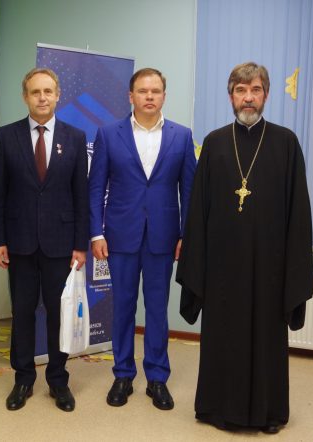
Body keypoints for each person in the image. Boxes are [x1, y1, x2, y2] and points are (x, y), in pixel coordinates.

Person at [176, 62, 313, 434]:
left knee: (266, 339)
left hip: (270, 267)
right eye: (240, 90)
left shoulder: (286, 143)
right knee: (223, 337)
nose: (248, 97)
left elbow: (298, 212)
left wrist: (294, 269)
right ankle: (216, 408)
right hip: (223, 268)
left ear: (266, 94)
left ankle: (268, 413)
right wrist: (197, 263)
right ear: (231, 96)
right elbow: (199, 210)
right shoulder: (215, 143)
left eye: (255, 89)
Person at [89, 68, 196, 411]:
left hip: (163, 238)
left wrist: (186, 235)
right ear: (131, 96)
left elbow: (190, 192)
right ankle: (122, 375)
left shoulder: (182, 136)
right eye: (142, 91)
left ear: (164, 95)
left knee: (157, 310)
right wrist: (96, 232)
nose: (149, 96)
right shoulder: (108, 134)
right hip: (120, 236)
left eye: (156, 91)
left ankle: (157, 378)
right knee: (122, 307)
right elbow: (95, 187)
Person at [0, 68, 89, 412]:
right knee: (22, 313)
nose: (42, 97)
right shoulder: (7, 136)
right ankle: (23, 379)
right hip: (19, 243)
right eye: (35, 92)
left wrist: (80, 244)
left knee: (59, 314)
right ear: (25, 97)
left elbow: (81, 195)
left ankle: (58, 380)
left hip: (62, 243)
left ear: (58, 95)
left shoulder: (75, 137)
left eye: (48, 91)